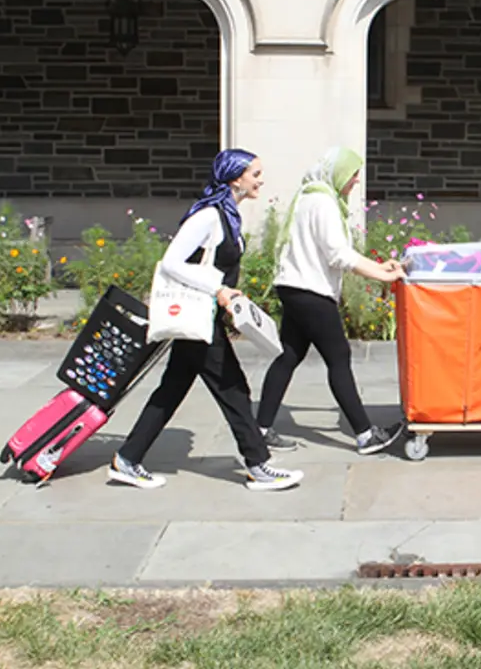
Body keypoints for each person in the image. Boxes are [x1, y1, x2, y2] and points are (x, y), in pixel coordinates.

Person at [108, 149, 303, 491]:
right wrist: (219, 288)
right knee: (232, 388)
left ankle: (127, 458)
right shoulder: (208, 216)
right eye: (255, 174)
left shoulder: (228, 215)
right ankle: (258, 464)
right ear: (234, 179)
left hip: (204, 317)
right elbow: (171, 263)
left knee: (172, 389)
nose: (260, 180)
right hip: (198, 316)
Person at [255, 146, 407, 455]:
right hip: (311, 293)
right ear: (339, 174)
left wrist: (379, 267)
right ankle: (365, 435)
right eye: (353, 175)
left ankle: (260, 429)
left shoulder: (308, 196)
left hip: (293, 287)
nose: (355, 182)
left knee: (288, 357)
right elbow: (337, 254)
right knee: (339, 358)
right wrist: (382, 276)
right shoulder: (323, 202)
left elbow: (333, 251)